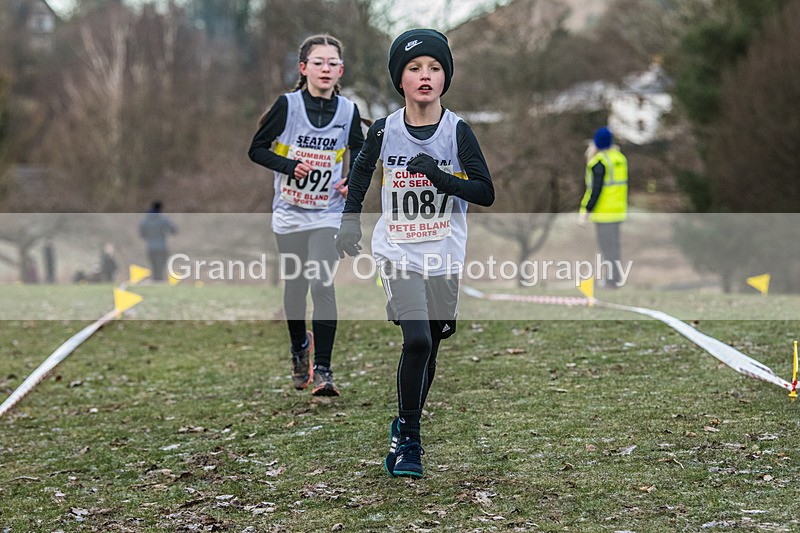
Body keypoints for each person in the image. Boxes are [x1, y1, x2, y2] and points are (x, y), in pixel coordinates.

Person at [335, 29, 494, 478]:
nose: (425, 76)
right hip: (398, 251)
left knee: (435, 341)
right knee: (418, 339)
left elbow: (485, 192)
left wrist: (439, 177)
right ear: (399, 80)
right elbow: (362, 172)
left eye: (435, 68)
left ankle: (404, 424)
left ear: (445, 78)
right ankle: (409, 440)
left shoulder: (457, 130)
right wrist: (350, 221)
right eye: (414, 68)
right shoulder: (385, 129)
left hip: (444, 254)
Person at [248, 34, 365, 397]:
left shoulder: (348, 111)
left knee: (321, 282)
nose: (326, 68)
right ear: (304, 68)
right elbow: (256, 149)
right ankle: (300, 348)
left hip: (327, 213)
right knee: (296, 287)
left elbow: (361, 153)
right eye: (318, 62)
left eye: (332, 63)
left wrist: (350, 178)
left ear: (340, 70)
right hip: (290, 212)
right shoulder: (287, 106)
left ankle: (325, 371)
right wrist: (289, 165)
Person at [578, 126, 628, 288]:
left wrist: (586, 211)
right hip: (618, 211)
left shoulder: (599, 163)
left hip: (604, 212)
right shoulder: (619, 158)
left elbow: (595, 190)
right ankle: (615, 279)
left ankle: (612, 281)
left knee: (607, 249)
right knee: (614, 248)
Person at [138, 201, 177, 281]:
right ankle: (159, 281)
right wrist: (166, 232)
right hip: (161, 247)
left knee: (154, 267)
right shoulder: (163, 219)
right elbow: (174, 230)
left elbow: (141, 233)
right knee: (160, 267)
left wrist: (149, 236)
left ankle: (155, 280)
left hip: (150, 247)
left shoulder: (145, 219)